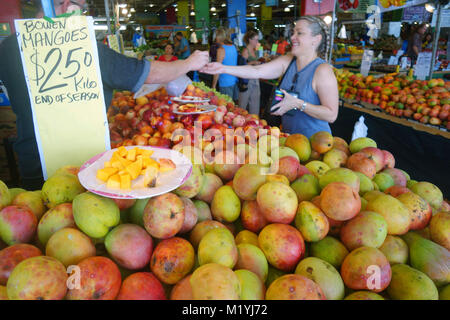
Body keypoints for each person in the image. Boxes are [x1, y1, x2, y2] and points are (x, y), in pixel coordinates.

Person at [0, 0, 209, 190]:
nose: (82, 13)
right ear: (66, 6)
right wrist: (190, 63)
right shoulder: (87, 49)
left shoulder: (8, 48)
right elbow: (150, 73)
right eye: (80, 8)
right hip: (85, 170)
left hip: (34, 167)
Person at [201, 15, 338, 138]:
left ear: (316, 39)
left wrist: (298, 104)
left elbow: (331, 115)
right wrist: (223, 68)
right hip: (289, 139)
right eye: (293, 32)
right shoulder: (289, 60)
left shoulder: (322, 70)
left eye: (299, 33)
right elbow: (257, 71)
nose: (292, 37)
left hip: (315, 143)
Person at [238, 29, 262, 116]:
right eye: (255, 39)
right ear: (250, 40)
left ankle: (255, 121)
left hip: (256, 79)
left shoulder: (255, 50)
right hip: (247, 80)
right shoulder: (245, 51)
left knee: (255, 103)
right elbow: (242, 67)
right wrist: (252, 63)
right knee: (242, 104)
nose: (257, 41)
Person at [211, 28, 239, 102]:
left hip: (225, 82)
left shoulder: (221, 50)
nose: (215, 41)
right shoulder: (233, 47)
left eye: (215, 38)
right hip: (234, 80)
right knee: (233, 106)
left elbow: (217, 69)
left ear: (218, 37)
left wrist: (213, 85)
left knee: (226, 107)